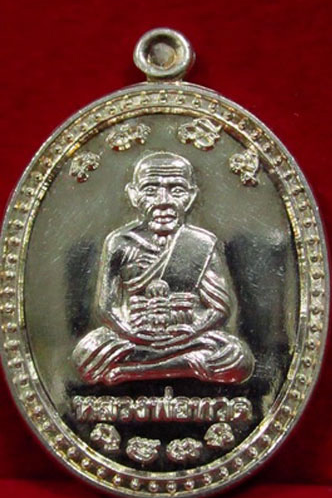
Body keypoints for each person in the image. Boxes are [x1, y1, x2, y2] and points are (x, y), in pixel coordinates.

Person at [72, 151, 254, 385]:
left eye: (176, 190)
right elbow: (107, 307)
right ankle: (172, 367)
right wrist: (133, 333)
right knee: (87, 352)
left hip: (188, 337)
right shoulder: (119, 242)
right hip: (134, 337)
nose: (163, 200)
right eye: (150, 190)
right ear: (134, 195)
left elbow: (219, 308)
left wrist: (190, 331)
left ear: (191, 196)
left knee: (237, 356)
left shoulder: (202, 243)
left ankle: (136, 372)